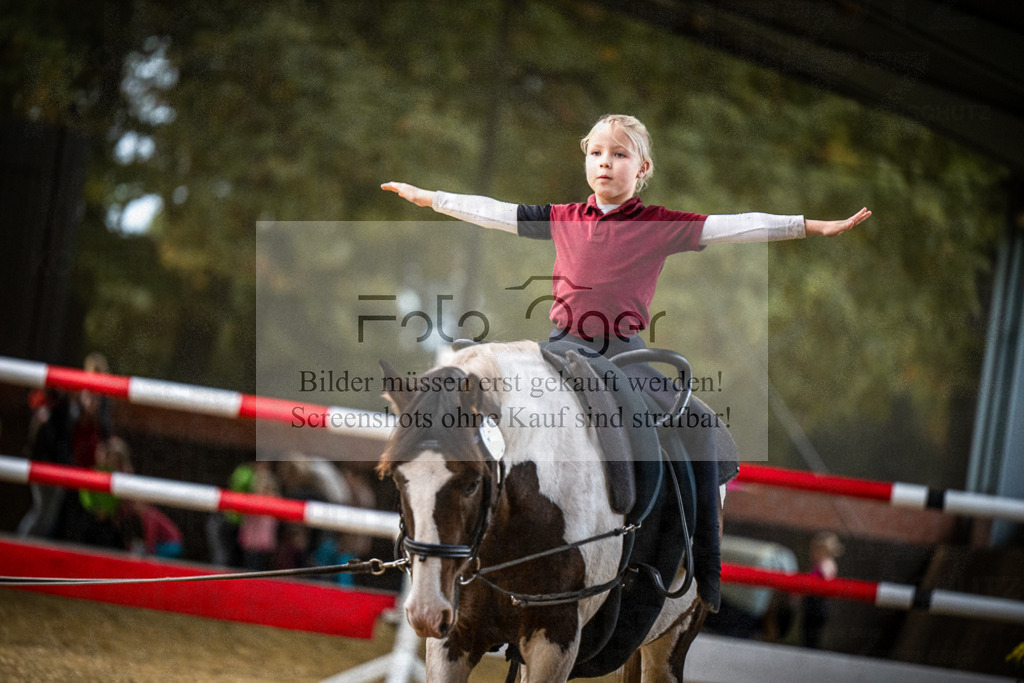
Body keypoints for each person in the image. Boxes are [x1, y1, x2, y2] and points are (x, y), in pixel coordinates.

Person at [382, 113, 871, 611]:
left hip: (624, 355)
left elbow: (738, 226)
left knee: (701, 425)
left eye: (619, 155)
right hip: (561, 348)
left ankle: (705, 567)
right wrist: (432, 198)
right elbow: (492, 211)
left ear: (642, 168)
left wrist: (811, 225)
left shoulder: (659, 225)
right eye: (596, 153)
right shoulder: (563, 217)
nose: (605, 163)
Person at [802, 531, 844, 648]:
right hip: (811, 602)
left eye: (818, 550)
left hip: (818, 603)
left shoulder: (827, 564)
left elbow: (824, 580)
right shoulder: (818, 564)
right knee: (807, 634)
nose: (814, 553)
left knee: (812, 636)